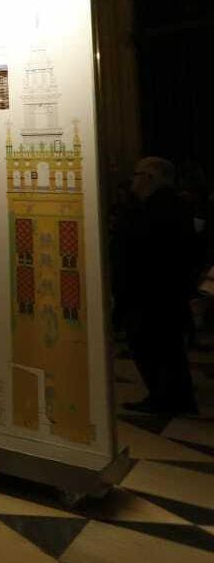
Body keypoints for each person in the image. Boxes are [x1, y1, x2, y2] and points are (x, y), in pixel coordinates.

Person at [115, 157, 199, 415]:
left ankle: (167, 399)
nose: (133, 180)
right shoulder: (165, 205)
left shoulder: (160, 207)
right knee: (163, 348)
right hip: (158, 292)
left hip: (152, 293)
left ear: (151, 177)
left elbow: (146, 249)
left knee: (155, 348)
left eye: (137, 175)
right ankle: (171, 397)